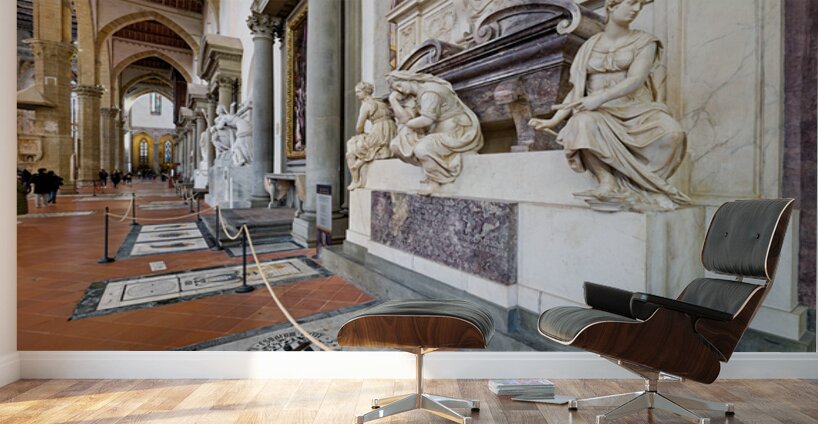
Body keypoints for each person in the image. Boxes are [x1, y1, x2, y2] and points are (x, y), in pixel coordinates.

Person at [529, 0, 689, 211]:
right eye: (631, 3)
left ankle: (645, 186)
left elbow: (636, 79)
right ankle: (607, 181)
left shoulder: (645, 41)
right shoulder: (589, 46)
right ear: (612, 6)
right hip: (599, 113)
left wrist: (600, 97)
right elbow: (578, 90)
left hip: (636, 110)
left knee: (673, 133)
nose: (636, 10)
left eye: (640, 6)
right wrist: (554, 119)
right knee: (582, 122)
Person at [387, 71, 484, 195]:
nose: (401, 90)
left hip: (457, 132)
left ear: (408, 79)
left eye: (400, 85)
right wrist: (393, 100)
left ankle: (436, 181)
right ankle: (433, 172)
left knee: (421, 149)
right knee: (398, 145)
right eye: (396, 89)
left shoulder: (430, 92)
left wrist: (408, 124)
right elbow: (405, 118)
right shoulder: (416, 96)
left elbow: (426, 120)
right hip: (438, 131)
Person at [346, 81, 397, 190]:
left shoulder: (366, 105)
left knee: (351, 146)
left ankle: (355, 179)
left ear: (366, 92)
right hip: (392, 130)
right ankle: (359, 164)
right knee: (363, 145)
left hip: (378, 131)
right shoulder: (381, 102)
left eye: (359, 92)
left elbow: (359, 127)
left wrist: (362, 134)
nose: (357, 94)